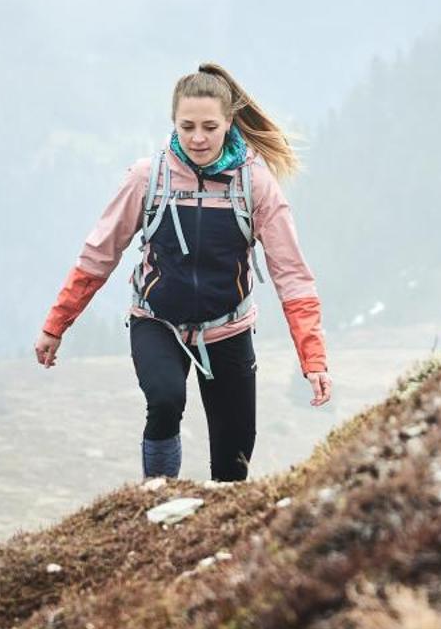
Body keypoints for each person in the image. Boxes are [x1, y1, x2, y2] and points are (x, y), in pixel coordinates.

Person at [34, 64, 331, 482]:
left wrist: (313, 359)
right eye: (187, 125)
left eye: (210, 126)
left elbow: (293, 277)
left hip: (228, 330)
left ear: (229, 122)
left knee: (233, 465)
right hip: (157, 322)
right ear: (173, 122)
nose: (197, 138)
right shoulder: (148, 178)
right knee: (166, 400)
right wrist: (55, 325)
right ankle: (157, 501)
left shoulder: (255, 185)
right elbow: (98, 255)